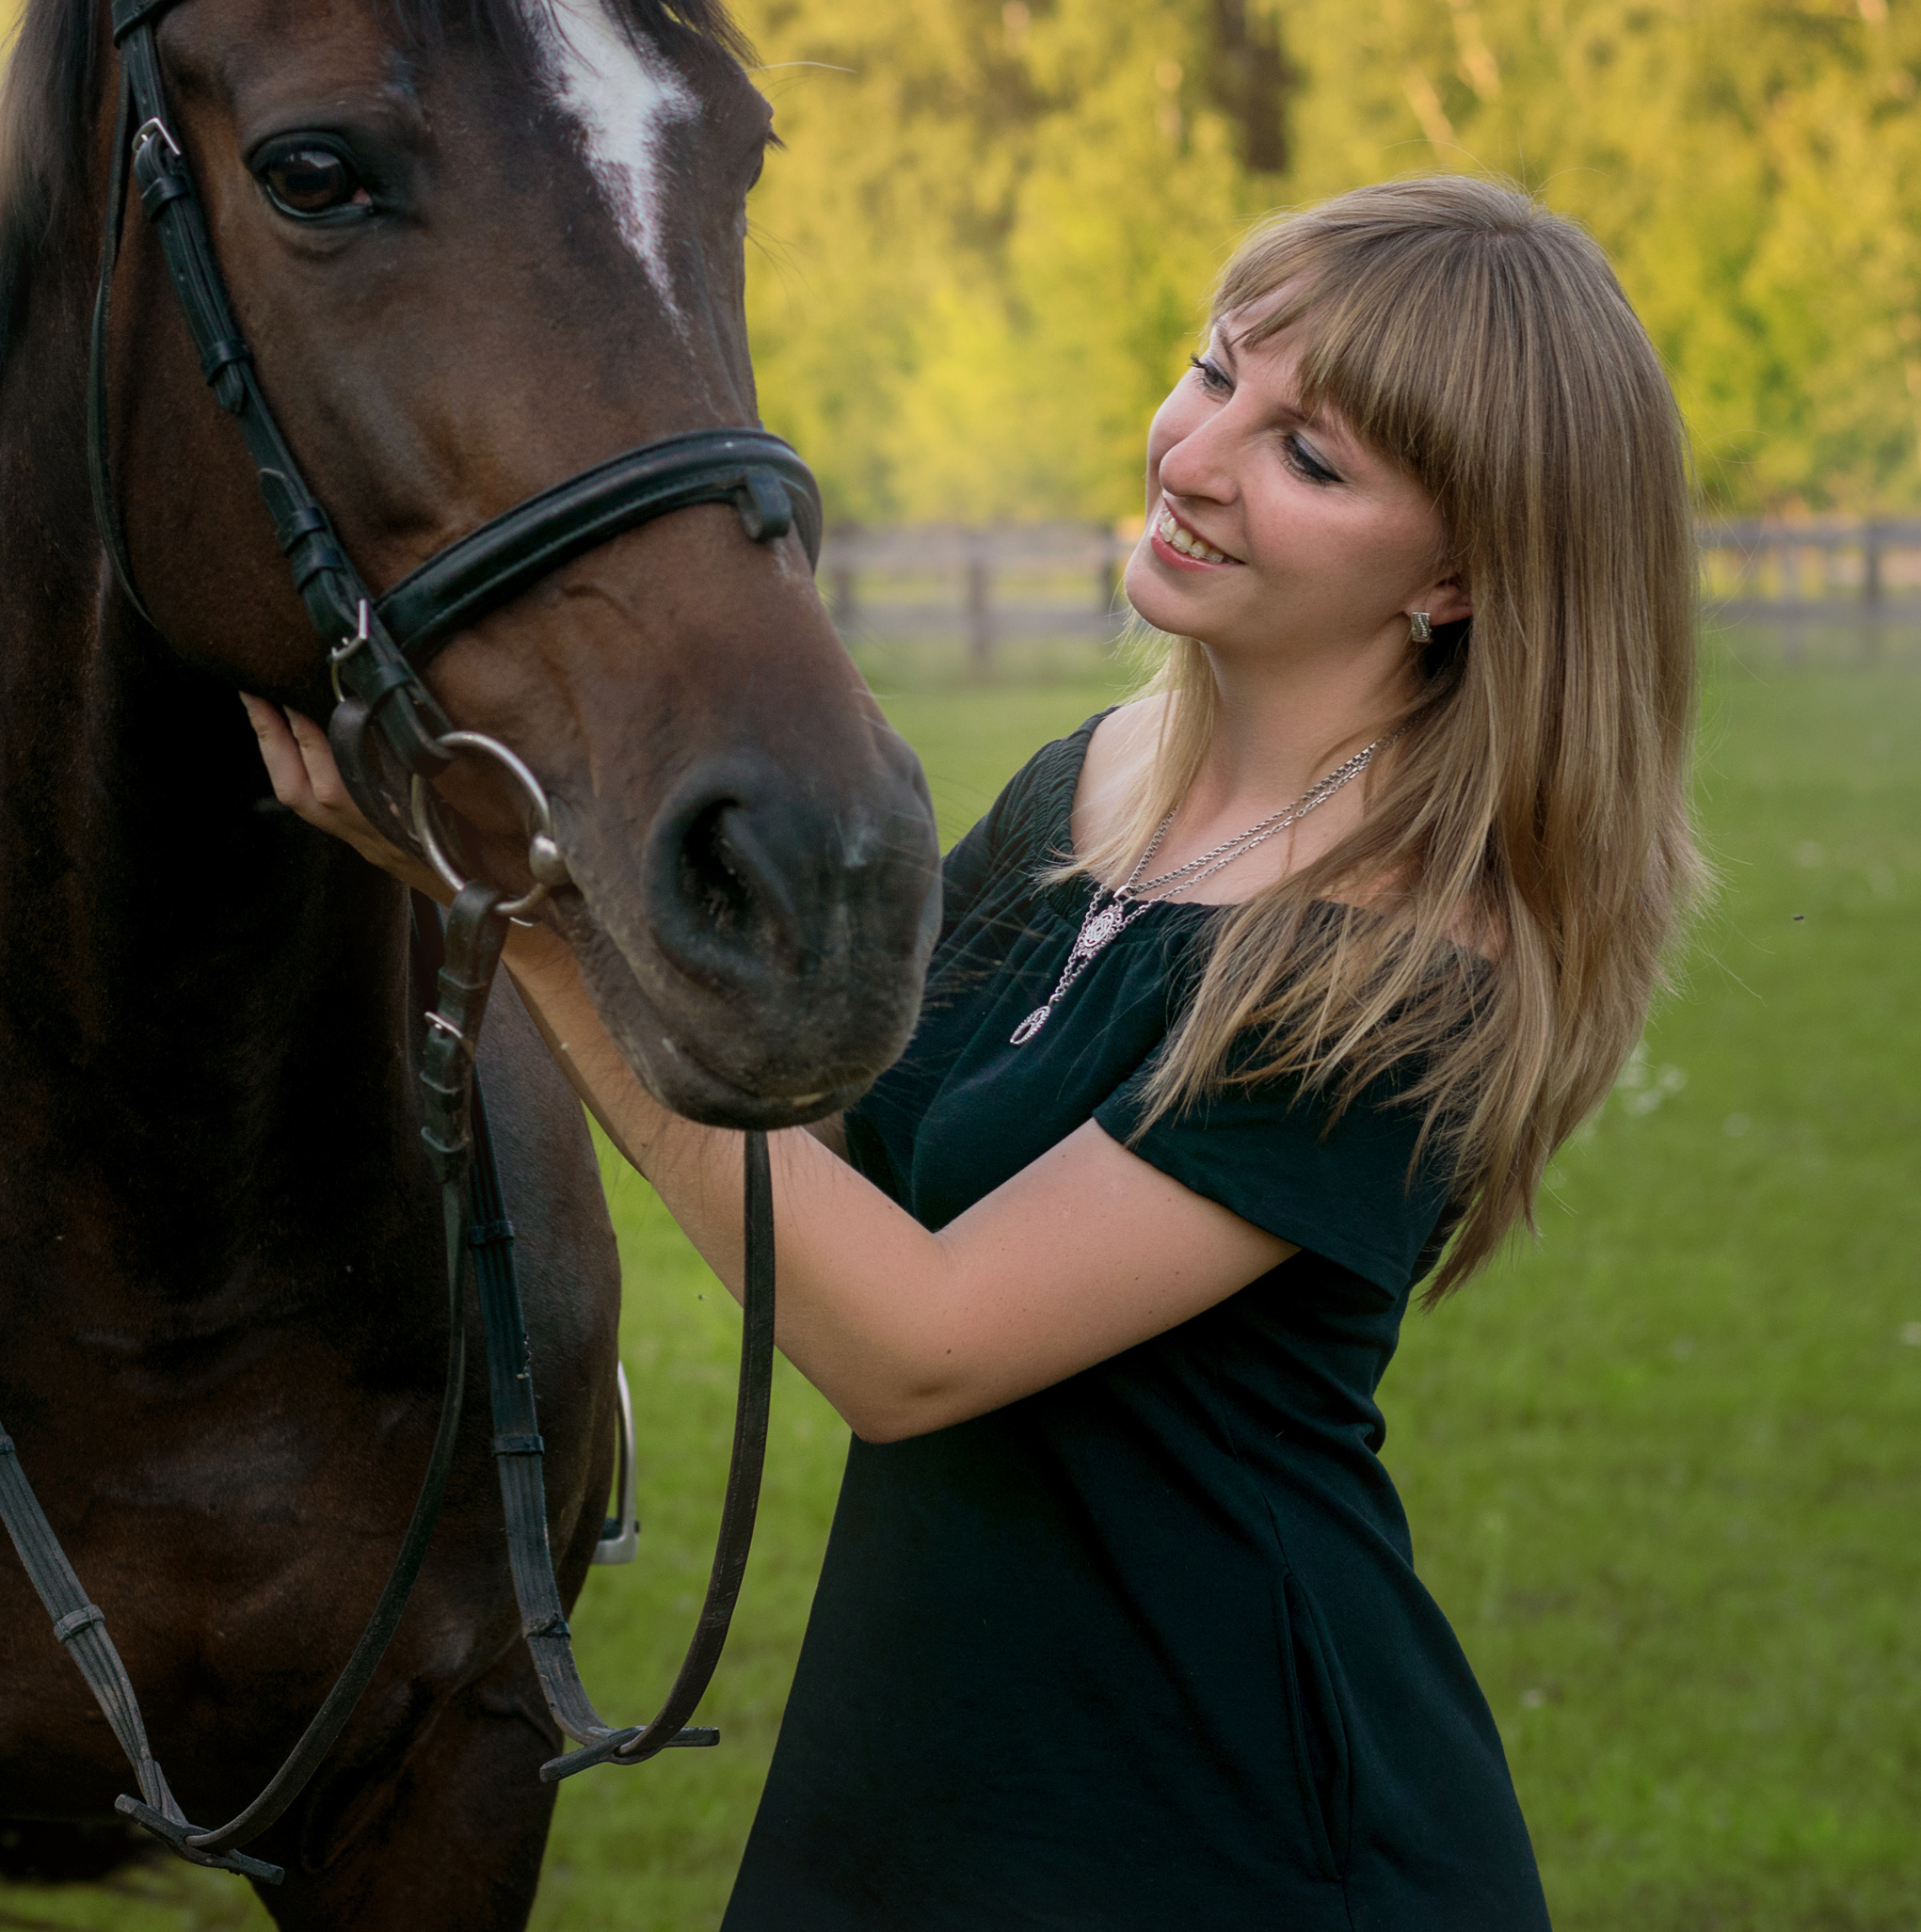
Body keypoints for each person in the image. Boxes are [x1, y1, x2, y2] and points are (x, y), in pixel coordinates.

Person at [248, 174, 1705, 1929]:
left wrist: (533, 925)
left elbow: (915, 1345)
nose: (1195, 456)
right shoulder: (1086, 788)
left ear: (1458, 578)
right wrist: (554, 811)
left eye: (1310, 458)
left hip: (1219, 1818)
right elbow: (816, 1126)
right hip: (920, 1756)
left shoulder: (1403, 970)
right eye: (1212, 370)